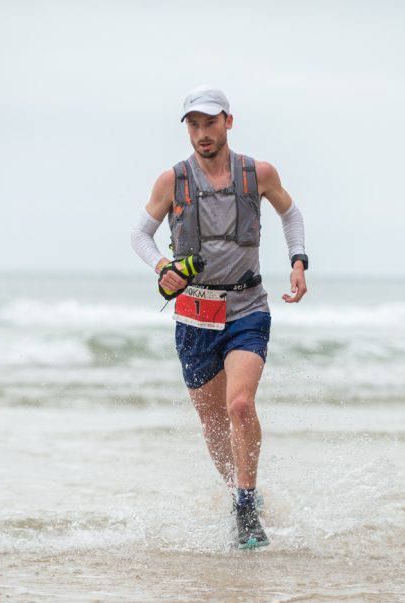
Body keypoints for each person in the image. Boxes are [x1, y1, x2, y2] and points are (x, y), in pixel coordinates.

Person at [129, 86, 308, 549]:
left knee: (240, 406)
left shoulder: (258, 173)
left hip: (247, 307)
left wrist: (298, 260)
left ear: (228, 122)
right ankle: (238, 493)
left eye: (209, 123)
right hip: (194, 314)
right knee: (212, 422)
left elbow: (291, 214)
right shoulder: (173, 181)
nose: (202, 133)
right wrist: (162, 267)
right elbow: (140, 234)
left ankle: (246, 510)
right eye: (193, 124)